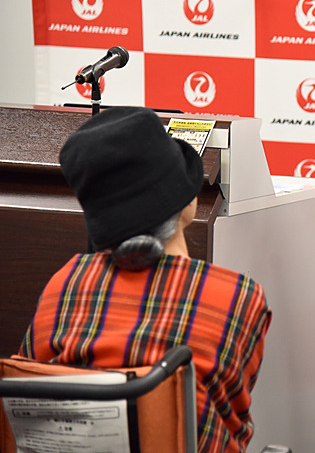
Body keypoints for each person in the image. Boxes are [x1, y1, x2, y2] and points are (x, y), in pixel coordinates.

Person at [18, 106, 270, 453]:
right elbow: (234, 419)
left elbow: (29, 388)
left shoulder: (63, 285)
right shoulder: (237, 297)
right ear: (187, 205)